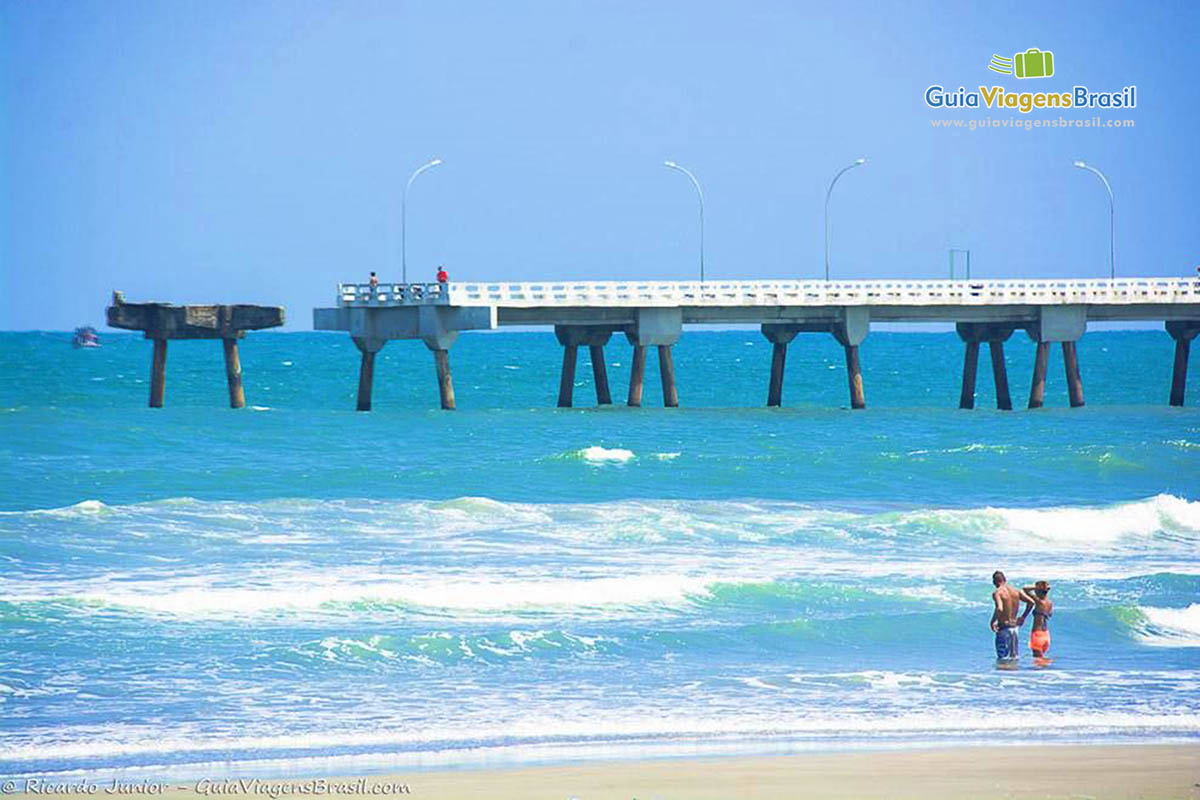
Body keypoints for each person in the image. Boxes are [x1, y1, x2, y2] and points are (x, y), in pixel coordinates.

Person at [990, 571, 1035, 663]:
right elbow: (1031, 602)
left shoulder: (998, 593)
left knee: (1002, 658)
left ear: (994, 582)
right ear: (1005, 579)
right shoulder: (1016, 591)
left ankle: (1003, 676)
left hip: (1004, 628)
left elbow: (999, 608)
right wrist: (1023, 617)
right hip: (1014, 628)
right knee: (1014, 658)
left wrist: (992, 621)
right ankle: (1012, 676)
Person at [1018, 580, 1054, 660]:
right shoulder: (1050, 603)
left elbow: (1025, 589)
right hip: (1046, 635)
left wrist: (1037, 587)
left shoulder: (1039, 601)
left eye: (1036, 590)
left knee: (1038, 662)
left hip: (1038, 635)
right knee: (1042, 660)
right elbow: (1050, 615)